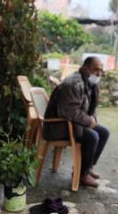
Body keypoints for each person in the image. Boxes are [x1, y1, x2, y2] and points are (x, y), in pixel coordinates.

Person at [43, 56, 110, 188]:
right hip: (59, 126)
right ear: (85, 68)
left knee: (103, 132)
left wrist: (92, 119)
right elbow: (68, 111)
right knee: (92, 136)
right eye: (96, 69)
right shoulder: (73, 84)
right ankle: (81, 175)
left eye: (101, 71)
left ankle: (88, 167)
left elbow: (89, 108)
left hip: (72, 123)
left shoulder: (88, 83)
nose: (99, 73)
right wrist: (88, 121)